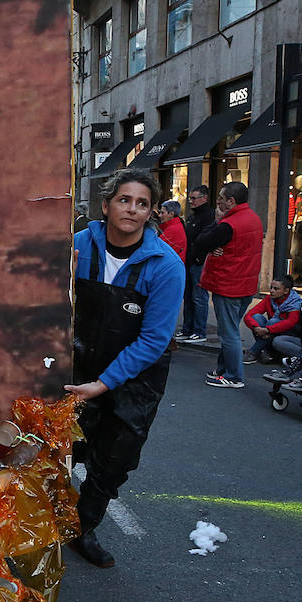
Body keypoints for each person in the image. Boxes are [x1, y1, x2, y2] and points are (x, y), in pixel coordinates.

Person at [65, 169, 184, 569]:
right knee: (62, 448)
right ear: (106, 205)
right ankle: (49, 521)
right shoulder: (77, 247)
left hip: (136, 379)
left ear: (150, 213)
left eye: (142, 203)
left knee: (113, 461)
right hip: (80, 364)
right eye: (124, 200)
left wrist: (104, 384)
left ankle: (83, 528)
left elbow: (154, 339)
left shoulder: (166, 265)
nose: (132, 209)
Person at [194, 181, 264, 388]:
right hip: (245, 282)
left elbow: (201, 241)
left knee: (229, 333)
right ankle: (224, 370)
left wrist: (217, 223)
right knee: (231, 330)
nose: (218, 204)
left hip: (229, 283)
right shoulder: (253, 218)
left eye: (221, 200)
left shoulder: (228, 224)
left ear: (231, 201)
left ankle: (234, 376)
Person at [177, 185, 216, 344]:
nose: (191, 201)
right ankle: (188, 329)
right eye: (190, 198)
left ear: (204, 198)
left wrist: (200, 258)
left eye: (194, 198)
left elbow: (206, 239)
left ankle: (199, 331)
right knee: (189, 297)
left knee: (198, 297)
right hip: (189, 261)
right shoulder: (193, 216)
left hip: (198, 262)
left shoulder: (208, 216)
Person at [242, 275, 302, 364]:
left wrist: (267, 330)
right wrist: (256, 328)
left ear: (286, 291)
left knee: (273, 322)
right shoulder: (269, 299)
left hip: (289, 334)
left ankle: (254, 351)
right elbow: (249, 316)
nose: (271, 291)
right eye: (271, 288)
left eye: (276, 289)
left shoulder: (295, 303)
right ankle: (265, 351)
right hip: (269, 332)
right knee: (257, 317)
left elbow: (290, 323)